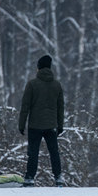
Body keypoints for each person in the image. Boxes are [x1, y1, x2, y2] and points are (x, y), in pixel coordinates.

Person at [18, 55, 64, 187]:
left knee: (33, 152)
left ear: (38, 68)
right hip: (51, 125)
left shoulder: (32, 84)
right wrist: (60, 125)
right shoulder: (57, 85)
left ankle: (30, 178)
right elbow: (60, 107)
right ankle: (58, 177)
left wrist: (21, 124)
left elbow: (25, 106)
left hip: (35, 125)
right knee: (54, 152)